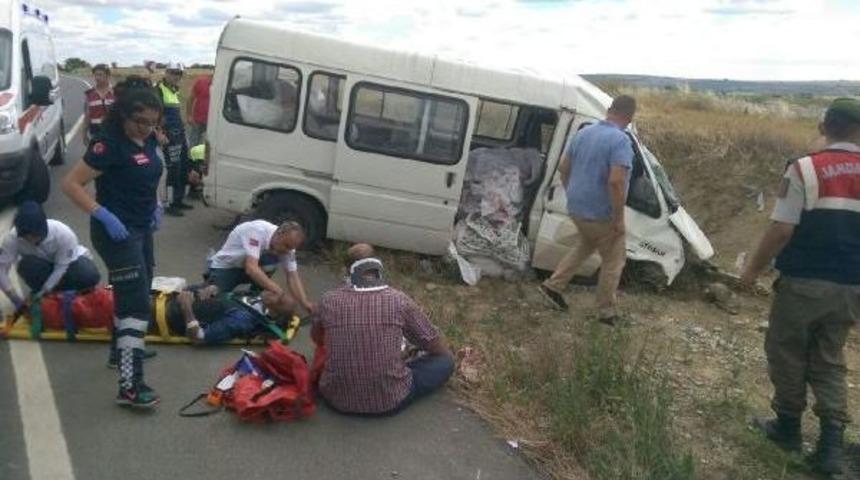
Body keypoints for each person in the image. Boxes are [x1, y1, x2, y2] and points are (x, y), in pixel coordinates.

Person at [741, 98, 860, 476]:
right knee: (830, 358)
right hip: (851, 285)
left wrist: (751, 271)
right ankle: (830, 447)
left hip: (804, 281)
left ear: (824, 126)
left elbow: (781, 229)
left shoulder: (805, 168)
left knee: (787, 350)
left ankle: (788, 428)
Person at [62, 77, 165, 409]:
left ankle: (118, 351)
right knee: (136, 304)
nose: (146, 129)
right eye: (140, 122)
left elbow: (149, 175)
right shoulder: (108, 144)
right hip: (115, 232)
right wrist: (102, 213)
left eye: (152, 123)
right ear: (123, 115)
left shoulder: (148, 139)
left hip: (141, 227)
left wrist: (156, 205)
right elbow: (71, 183)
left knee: (138, 290)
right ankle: (130, 385)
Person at [312, 243, 454, 415]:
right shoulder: (399, 300)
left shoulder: (328, 300)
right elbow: (433, 344)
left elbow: (317, 338)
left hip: (336, 399)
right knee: (445, 362)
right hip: (389, 401)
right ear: (377, 266)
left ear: (347, 271)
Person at [537, 95, 637, 325]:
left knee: (586, 245)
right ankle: (606, 312)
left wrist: (573, 193)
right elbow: (616, 182)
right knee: (614, 260)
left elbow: (563, 168)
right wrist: (619, 219)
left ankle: (553, 286)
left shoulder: (584, 133)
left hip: (577, 208)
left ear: (609, 110)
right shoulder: (620, 141)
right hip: (602, 214)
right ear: (629, 117)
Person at [0, 201, 100, 310]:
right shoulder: (12, 238)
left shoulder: (63, 233)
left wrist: (46, 289)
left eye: (33, 236)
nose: (29, 240)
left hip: (69, 265)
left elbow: (61, 268)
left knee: (87, 273)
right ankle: (48, 296)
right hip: (43, 267)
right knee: (26, 265)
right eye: (25, 237)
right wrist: (14, 297)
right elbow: (1, 269)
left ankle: (72, 293)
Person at [207, 220, 315, 313]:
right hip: (226, 267)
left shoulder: (288, 247)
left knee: (271, 261)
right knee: (213, 305)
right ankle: (212, 276)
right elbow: (251, 268)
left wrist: (305, 303)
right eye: (286, 246)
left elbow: (292, 276)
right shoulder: (257, 231)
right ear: (279, 233)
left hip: (247, 267)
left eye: (290, 248)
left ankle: (254, 298)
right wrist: (278, 291)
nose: (287, 250)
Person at [168, 284, 295, 345]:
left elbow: (199, 337)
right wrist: (214, 289)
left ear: (273, 310)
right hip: (179, 299)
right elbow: (229, 297)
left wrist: (186, 307)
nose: (273, 291)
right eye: (280, 292)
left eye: (278, 297)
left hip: (172, 315)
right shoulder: (257, 298)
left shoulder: (242, 320)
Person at [156, 63, 193, 217]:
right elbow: (156, 114)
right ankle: (168, 203)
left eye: (178, 73)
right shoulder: (159, 90)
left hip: (179, 134)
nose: (176, 76)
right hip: (169, 135)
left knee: (183, 166)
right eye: (173, 73)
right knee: (172, 169)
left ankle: (178, 200)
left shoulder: (174, 90)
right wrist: (159, 133)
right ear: (166, 73)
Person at [83, 64, 114, 144]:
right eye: (95, 75)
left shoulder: (116, 93)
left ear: (108, 76)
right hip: (96, 134)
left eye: (100, 75)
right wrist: (84, 134)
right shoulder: (89, 94)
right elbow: (87, 116)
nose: (97, 78)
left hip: (114, 134)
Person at [185, 72, 212, 147]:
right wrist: (189, 115)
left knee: (209, 144)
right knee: (194, 143)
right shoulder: (201, 82)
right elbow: (190, 99)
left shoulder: (223, 85)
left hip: (213, 122)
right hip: (198, 120)